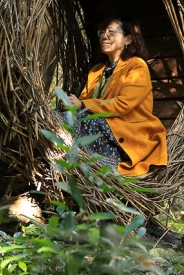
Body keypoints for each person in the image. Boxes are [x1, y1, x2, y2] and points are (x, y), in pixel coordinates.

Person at [65, 15, 167, 176]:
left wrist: (84, 105)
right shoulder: (96, 70)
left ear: (127, 39)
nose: (104, 36)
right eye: (102, 32)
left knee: (85, 120)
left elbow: (123, 105)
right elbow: (82, 102)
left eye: (111, 32)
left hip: (126, 135)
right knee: (62, 115)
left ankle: (104, 165)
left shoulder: (137, 66)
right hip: (101, 129)